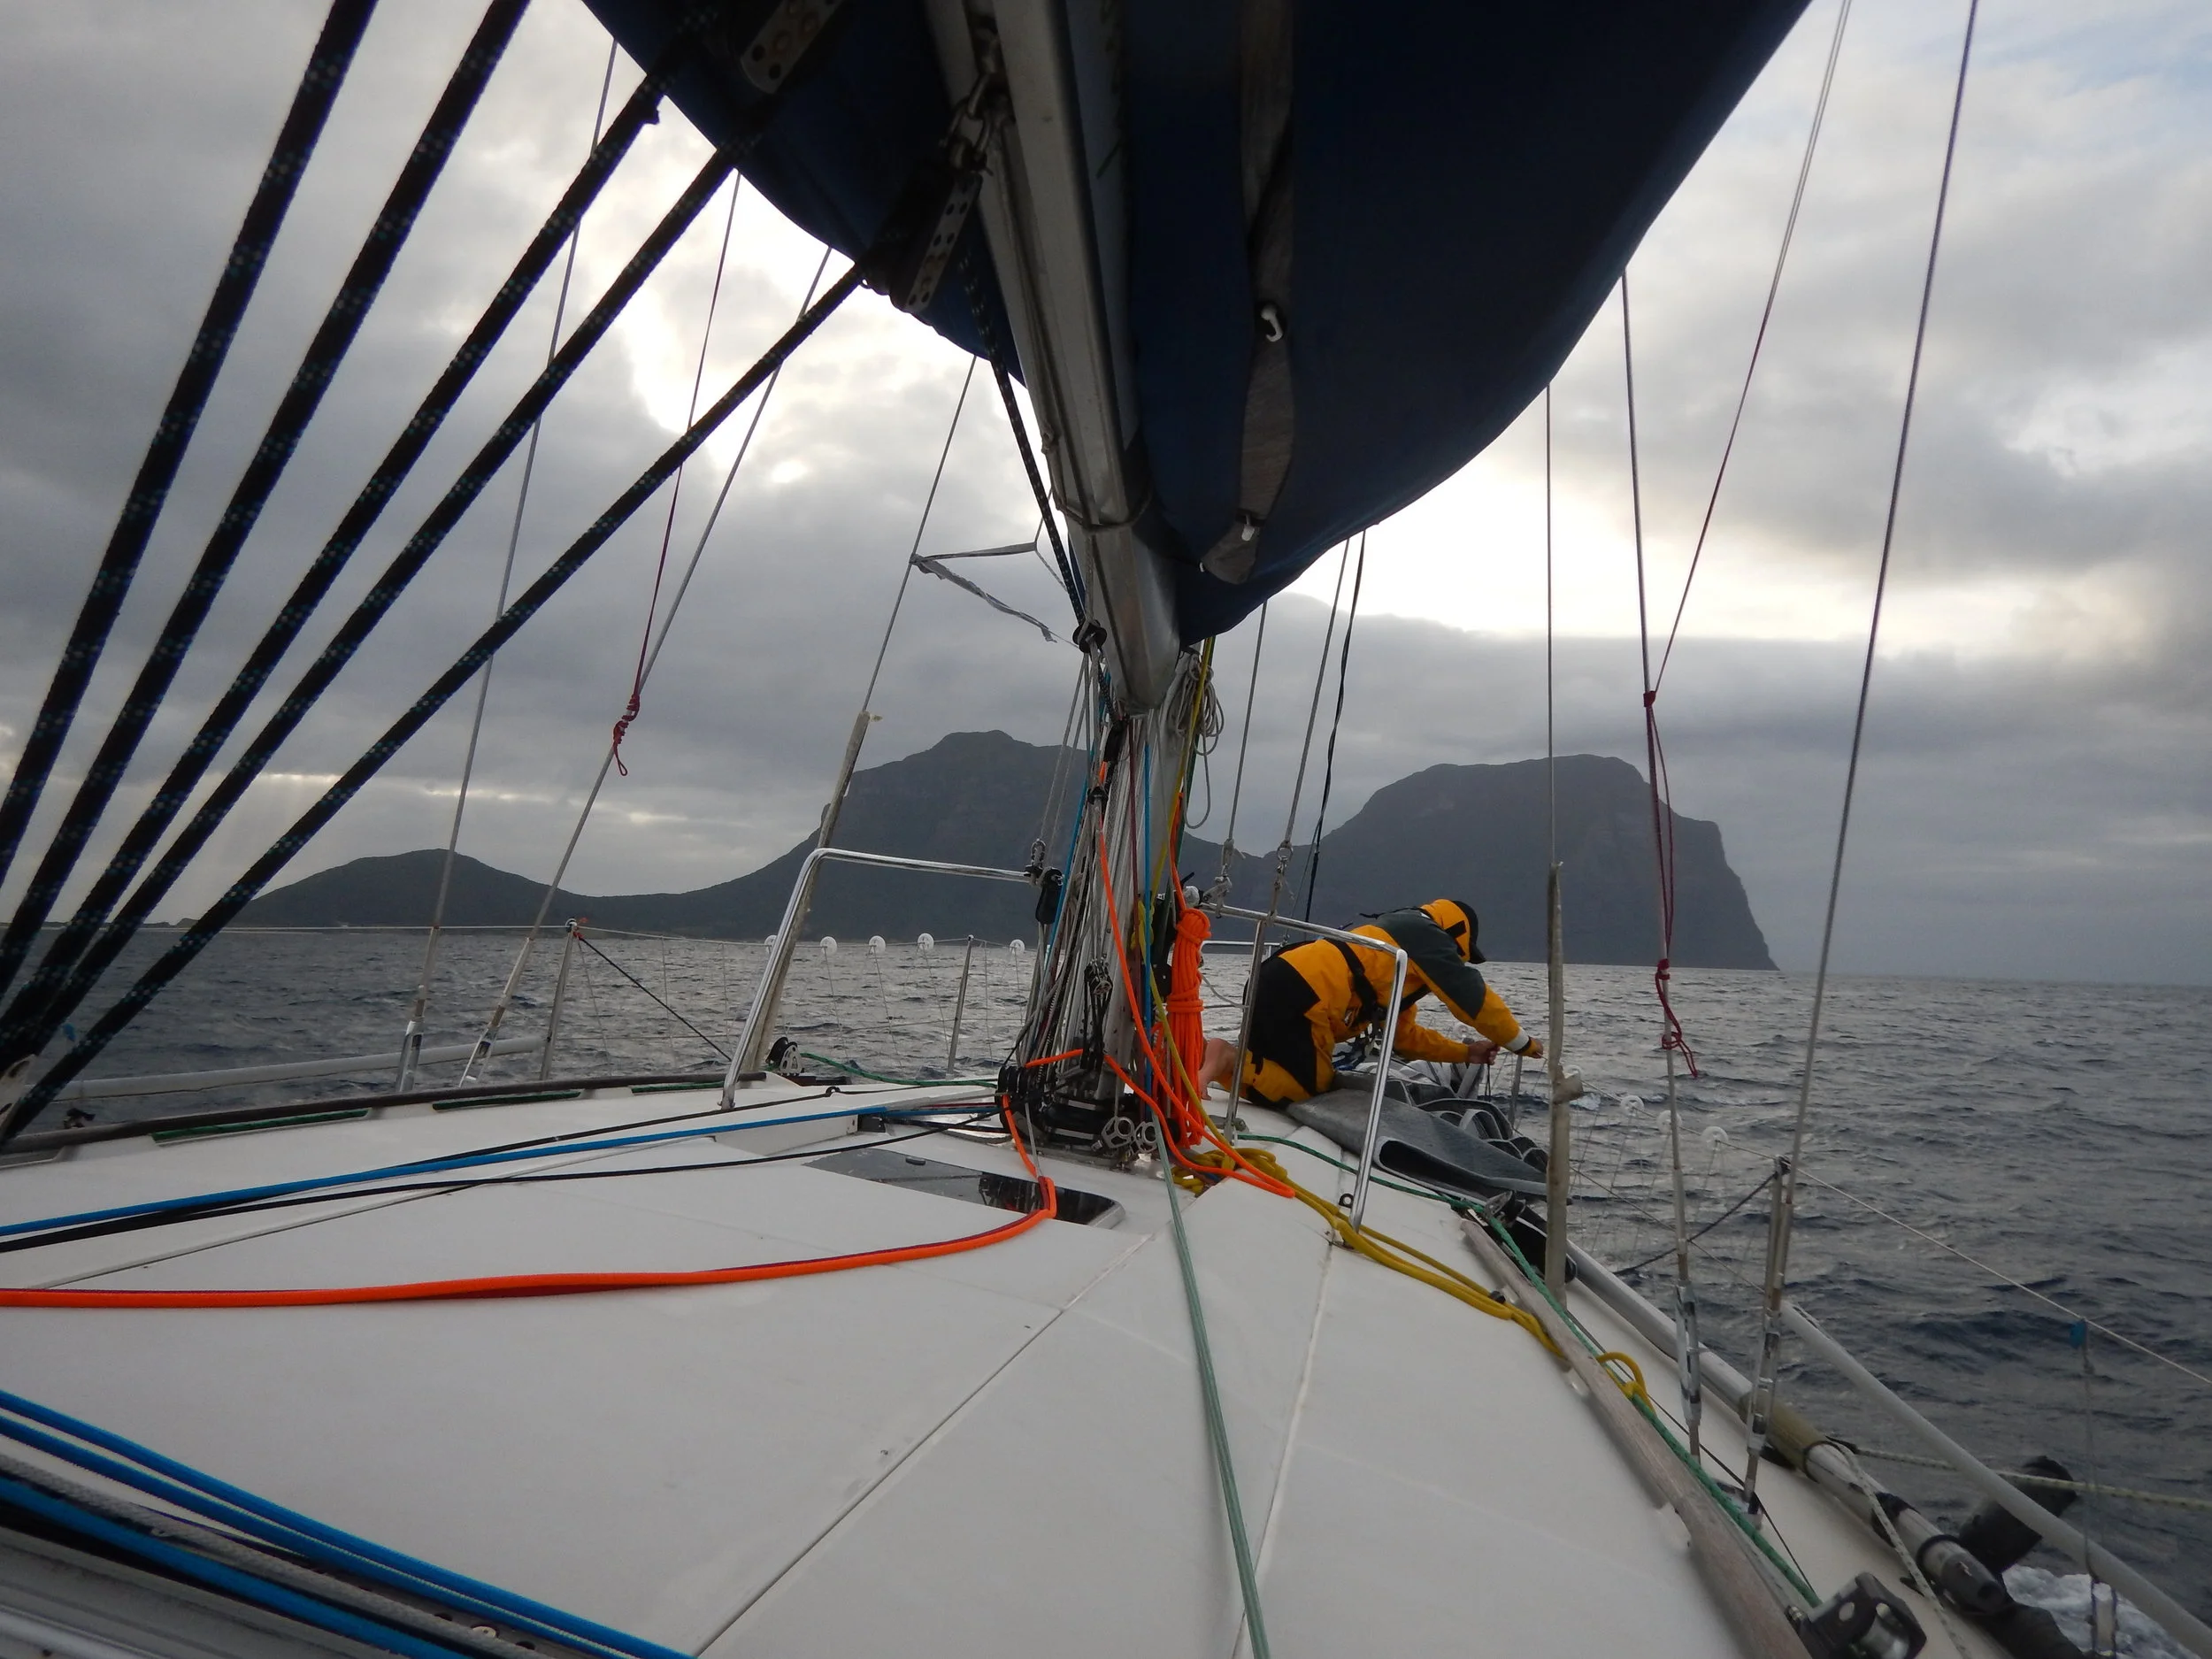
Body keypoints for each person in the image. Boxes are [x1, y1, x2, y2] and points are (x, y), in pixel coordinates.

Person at [1194, 898, 1540, 1108]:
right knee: (1308, 1090)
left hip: (1279, 976)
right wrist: (1521, 1042)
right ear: (1456, 936)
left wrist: (1467, 1054)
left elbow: (1403, 1038)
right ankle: (1225, 1055)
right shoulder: (1427, 937)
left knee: (1272, 1080)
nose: (1458, 962)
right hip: (1305, 992)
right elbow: (1472, 996)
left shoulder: (1396, 955)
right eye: (1461, 956)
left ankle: (1196, 1055)